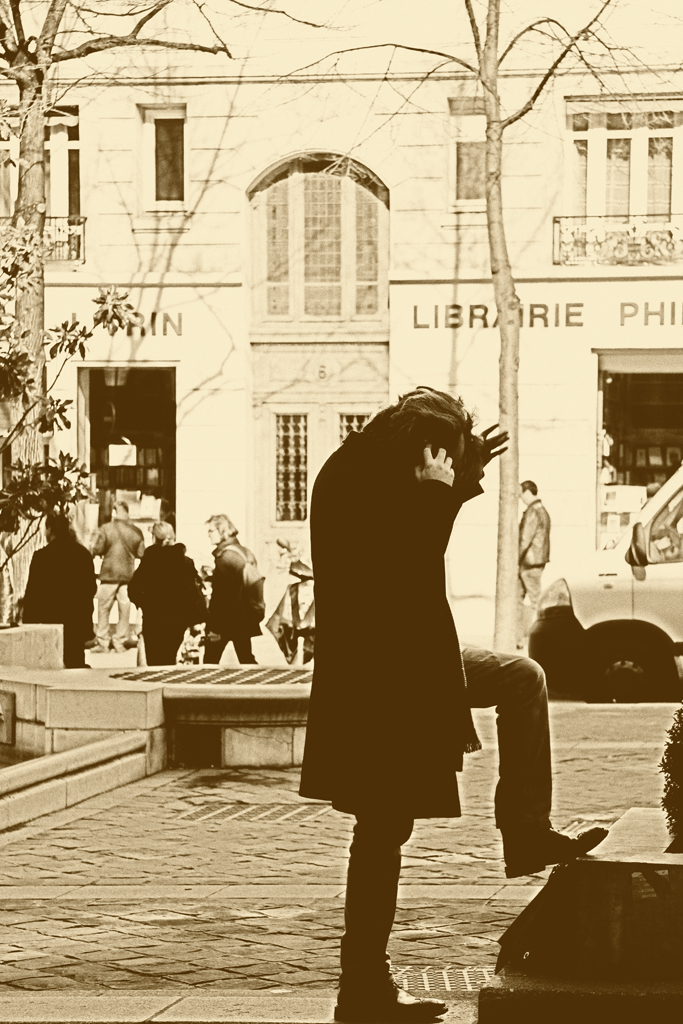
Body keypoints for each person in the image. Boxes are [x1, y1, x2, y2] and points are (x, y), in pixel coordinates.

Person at [299, 388, 607, 1023]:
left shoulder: (363, 467)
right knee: (382, 831)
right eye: (443, 454)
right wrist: (443, 495)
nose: (447, 466)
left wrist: (459, 479)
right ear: (420, 445)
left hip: (405, 665)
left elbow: (404, 536)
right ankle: (362, 989)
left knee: (522, 679)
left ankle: (525, 832)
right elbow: (408, 565)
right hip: (382, 684)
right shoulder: (363, 484)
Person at [22, 515, 97, 668]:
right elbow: (90, 589)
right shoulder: (83, 554)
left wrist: (28, 622)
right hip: (76, 621)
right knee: (75, 664)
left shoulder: (41, 556)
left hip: (49, 622)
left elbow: (33, 594)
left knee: (49, 668)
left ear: (49, 529)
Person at [128, 521, 206, 666]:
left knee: (154, 659)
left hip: (154, 618)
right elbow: (192, 592)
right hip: (177, 619)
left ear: (154, 538)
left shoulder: (150, 560)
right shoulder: (185, 561)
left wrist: (144, 604)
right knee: (170, 657)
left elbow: (133, 589)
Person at [204, 514, 264, 665]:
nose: (208, 534)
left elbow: (222, 596)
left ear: (221, 531)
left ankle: (205, 690)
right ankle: (258, 686)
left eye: (211, 531)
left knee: (209, 662)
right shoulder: (243, 551)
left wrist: (213, 627)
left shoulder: (225, 557)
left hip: (227, 619)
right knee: (246, 658)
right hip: (244, 616)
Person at [91, 500, 145, 653]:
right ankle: (120, 641)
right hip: (128, 575)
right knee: (125, 609)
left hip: (109, 574)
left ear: (115, 511)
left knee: (103, 609)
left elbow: (98, 548)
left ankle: (103, 641)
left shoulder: (106, 529)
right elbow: (141, 553)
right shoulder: (135, 531)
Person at [518, 480, 551, 649]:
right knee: (531, 599)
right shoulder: (543, 511)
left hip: (528, 562)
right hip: (538, 561)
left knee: (531, 601)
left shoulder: (532, 512)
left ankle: (524, 637)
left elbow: (525, 539)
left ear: (528, 492)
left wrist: (515, 559)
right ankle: (522, 637)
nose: (520, 498)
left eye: (521, 493)